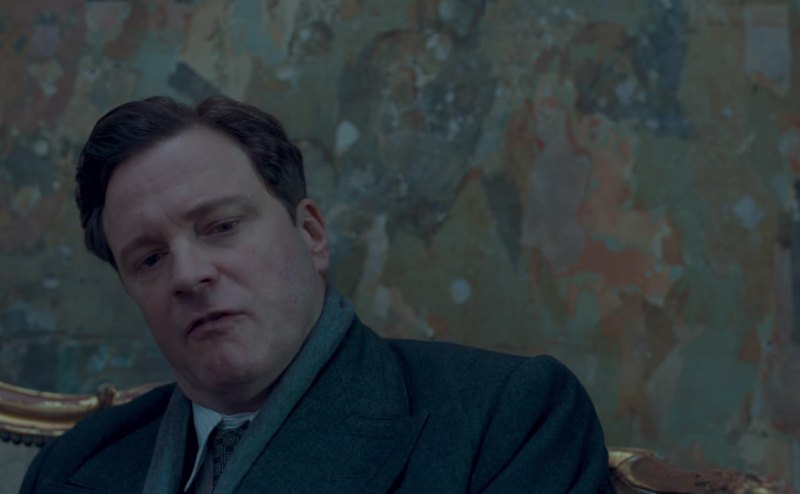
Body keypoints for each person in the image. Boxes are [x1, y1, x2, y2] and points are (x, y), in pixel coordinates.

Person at [21, 96, 615, 493]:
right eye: (149, 258)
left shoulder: (506, 419)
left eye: (221, 226)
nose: (188, 275)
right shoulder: (71, 466)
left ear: (310, 234)